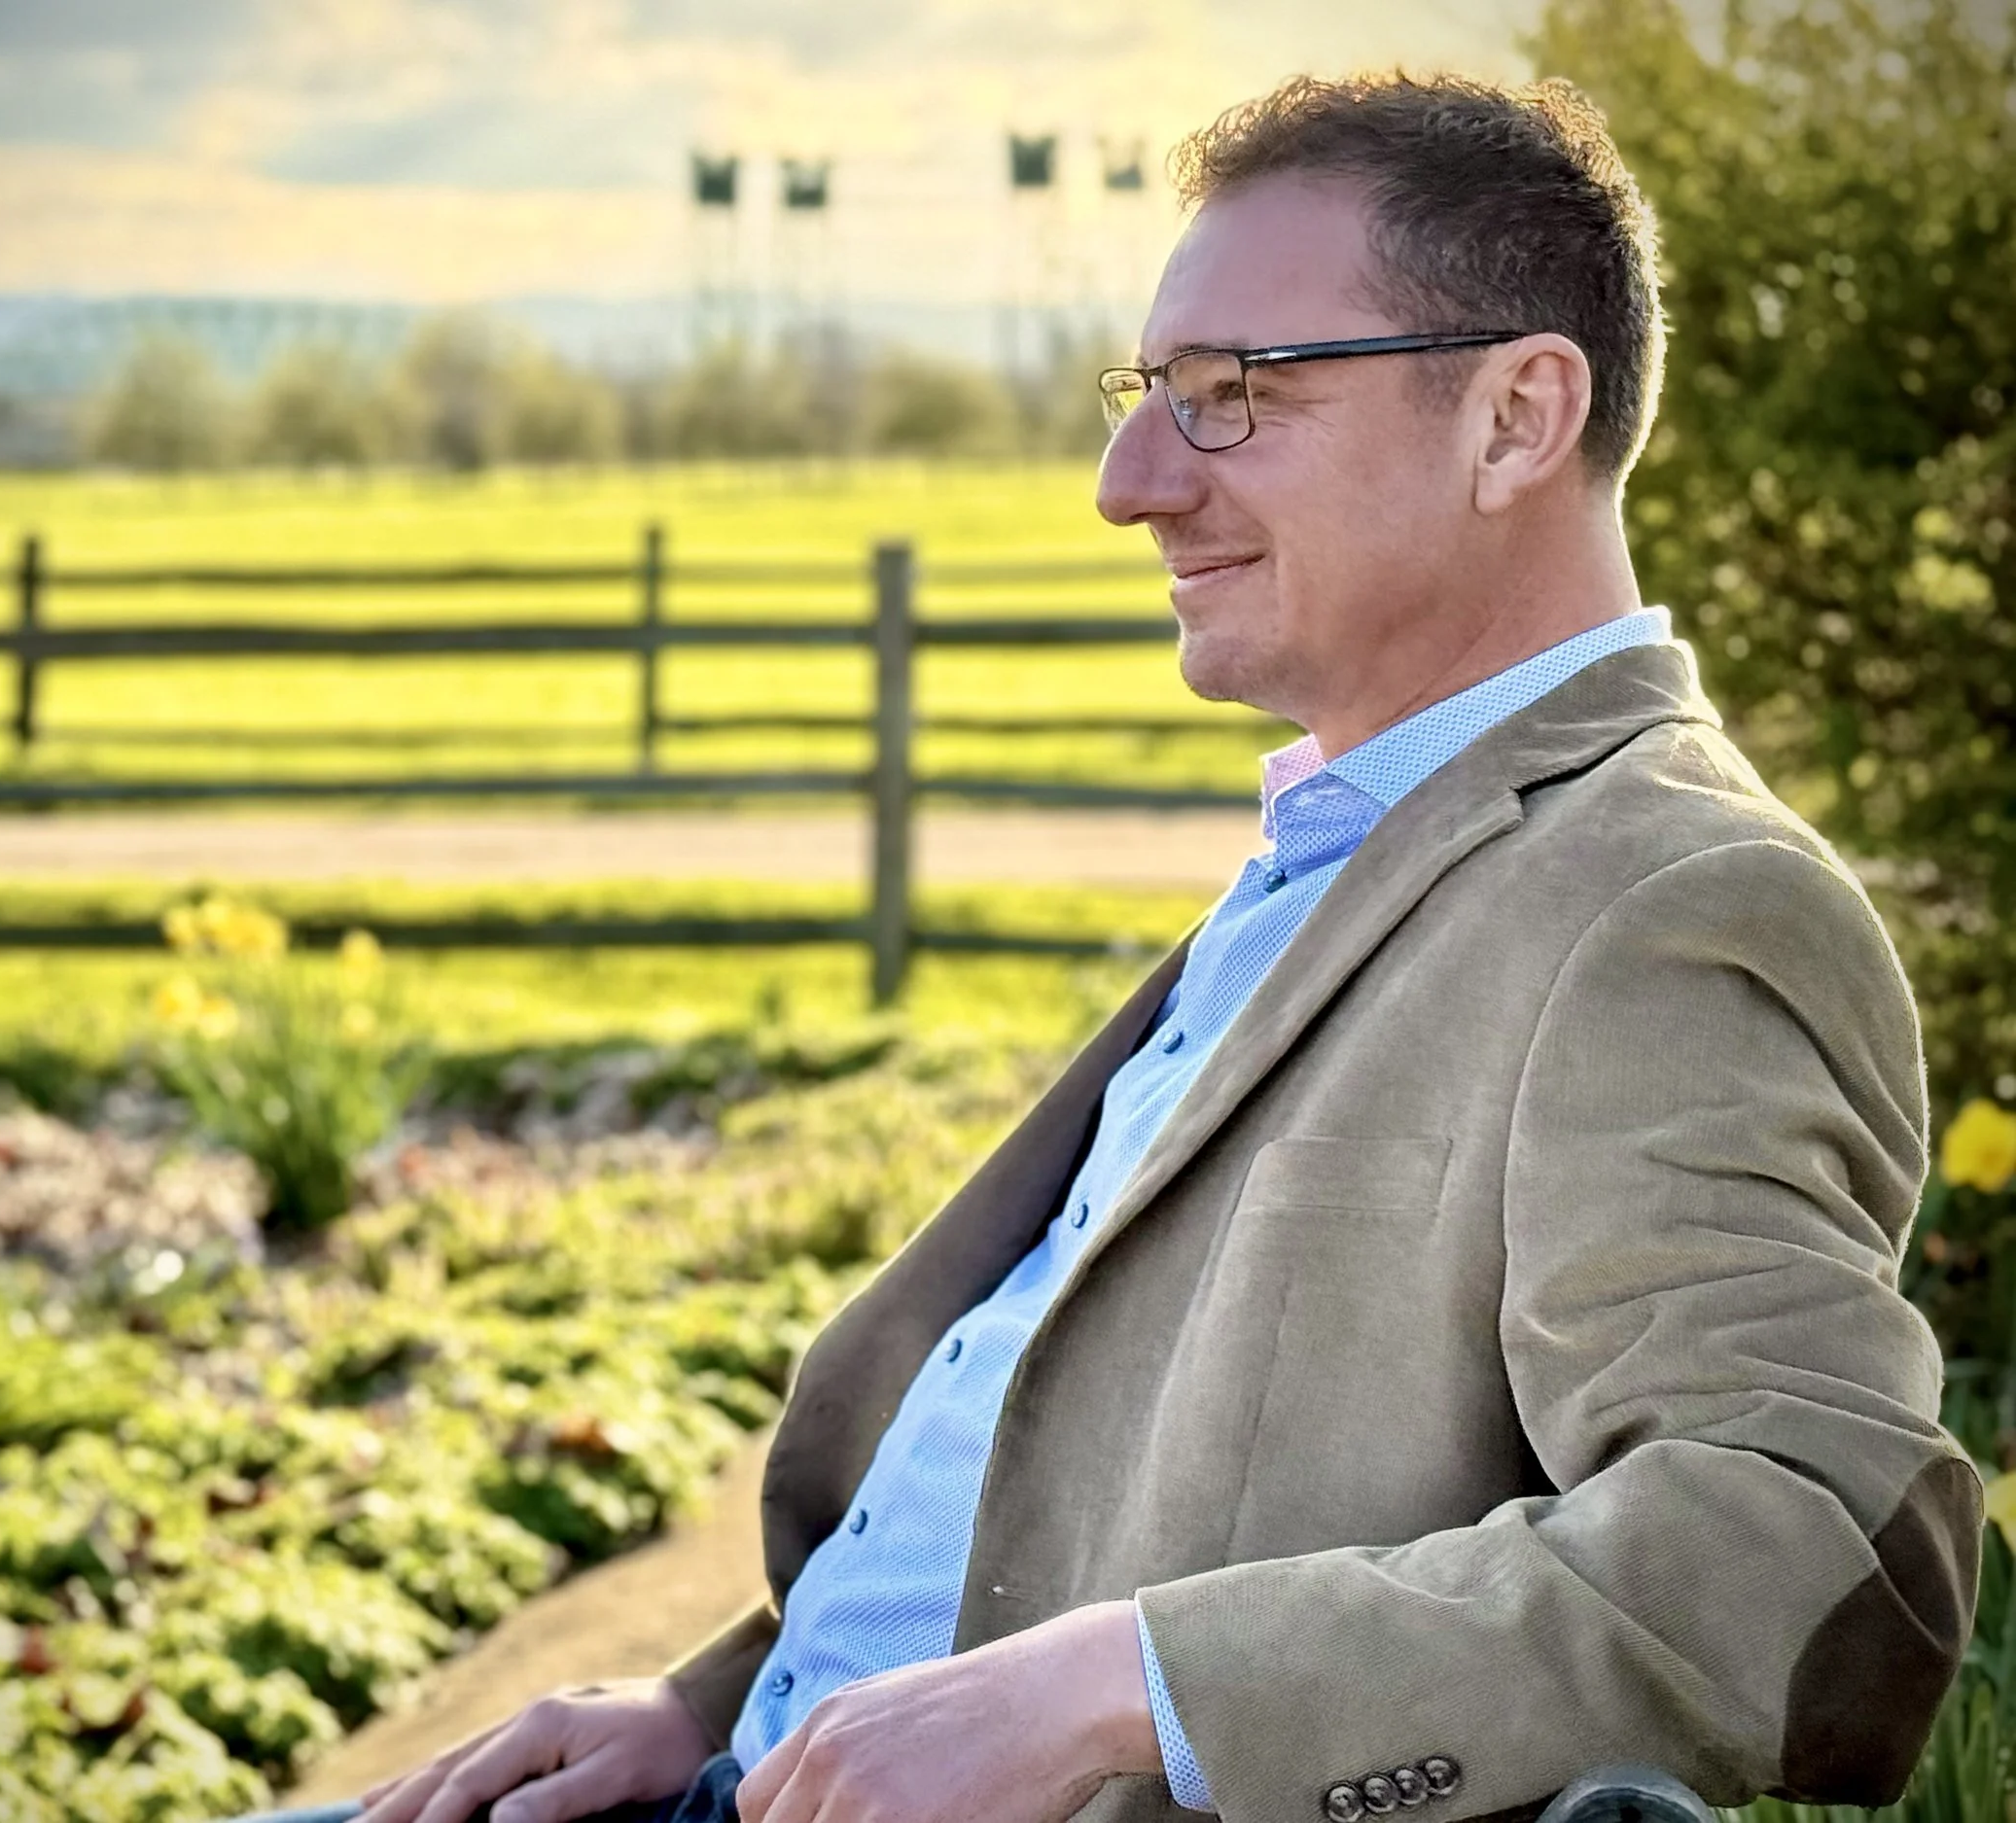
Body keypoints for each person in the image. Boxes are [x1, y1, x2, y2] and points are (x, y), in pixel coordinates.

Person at [247, 70, 1981, 1823]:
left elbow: (1809, 1549)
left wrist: (1124, 1691)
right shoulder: (1357, 839)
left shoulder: (1667, 897)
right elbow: (1060, 1457)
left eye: (1232, 398)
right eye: (1146, 397)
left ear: (1519, 417)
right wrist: (718, 1704)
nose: (1127, 482)